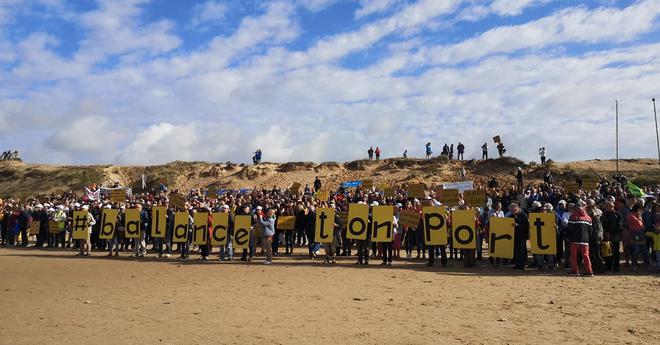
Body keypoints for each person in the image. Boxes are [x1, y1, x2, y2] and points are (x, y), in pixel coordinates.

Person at [567, 200, 594, 276]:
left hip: (575, 239)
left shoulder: (573, 216)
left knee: (573, 255)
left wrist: (568, 237)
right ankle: (589, 271)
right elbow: (590, 231)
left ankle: (575, 270)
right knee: (586, 255)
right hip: (585, 240)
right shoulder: (588, 218)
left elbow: (570, 229)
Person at [602, 200, 622, 272]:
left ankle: (616, 267)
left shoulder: (618, 215)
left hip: (615, 236)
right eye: (606, 206)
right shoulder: (604, 214)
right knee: (607, 252)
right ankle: (608, 266)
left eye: (607, 206)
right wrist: (605, 232)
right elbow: (603, 224)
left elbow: (619, 226)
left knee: (616, 252)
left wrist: (611, 233)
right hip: (606, 235)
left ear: (612, 207)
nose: (606, 208)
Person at [628, 204, 649, 272]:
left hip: (641, 234)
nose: (641, 211)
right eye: (640, 209)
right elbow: (639, 224)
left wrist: (639, 218)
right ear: (637, 209)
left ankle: (647, 264)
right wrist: (639, 218)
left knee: (644, 251)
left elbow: (642, 225)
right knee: (636, 251)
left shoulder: (638, 215)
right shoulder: (630, 215)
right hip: (635, 235)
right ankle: (634, 265)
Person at [509, 203, 529, 270]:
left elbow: (527, 226)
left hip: (522, 236)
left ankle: (522, 264)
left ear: (517, 208)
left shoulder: (523, 216)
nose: (513, 211)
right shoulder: (511, 216)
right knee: (516, 250)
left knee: (522, 250)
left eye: (514, 209)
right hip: (514, 236)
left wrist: (518, 225)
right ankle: (517, 264)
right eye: (511, 210)